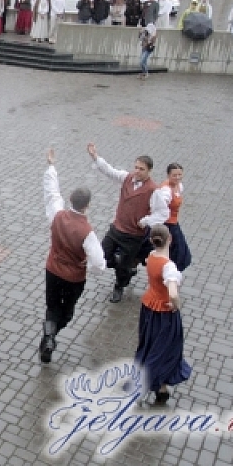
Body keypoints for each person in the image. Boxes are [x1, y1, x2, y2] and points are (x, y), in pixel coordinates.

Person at [39, 148, 106, 364]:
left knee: (52, 306)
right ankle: (50, 337)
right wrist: (91, 267)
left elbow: (52, 193)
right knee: (66, 313)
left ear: (70, 200)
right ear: (88, 205)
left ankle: (48, 337)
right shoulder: (88, 232)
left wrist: (51, 166)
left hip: (52, 270)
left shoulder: (57, 214)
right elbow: (98, 263)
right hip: (73, 278)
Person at [86, 143, 170, 303]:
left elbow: (163, 213)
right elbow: (109, 171)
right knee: (103, 256)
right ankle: (125, 267)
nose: (137, 171)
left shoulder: (154, 190)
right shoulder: (127, 178)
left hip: (133, 235)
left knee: (123, 266)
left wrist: (146, 221)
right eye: (136, 167)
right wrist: (95, 157)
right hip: (116, 228)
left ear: (149, 171)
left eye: (141, 169)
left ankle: (119, 285)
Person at [134, 224, 191, 404]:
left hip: (149, 309)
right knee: (164, 350)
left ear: (151, 241)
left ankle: (161, 388)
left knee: (150, 345)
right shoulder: (169, 267)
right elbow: (172, 292)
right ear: (170, 239)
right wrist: (177, 304)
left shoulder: (150, 257)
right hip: (164, 315)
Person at [158, 163, 192, 272]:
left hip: (173, 222)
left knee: (178, 252)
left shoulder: (179, 186)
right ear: (168, 175)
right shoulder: (166, 191)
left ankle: (170, 272)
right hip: (167, 224)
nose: (177, 177)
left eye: (179, 175)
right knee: (177, 252)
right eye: (174, 175)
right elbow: (160, 206)